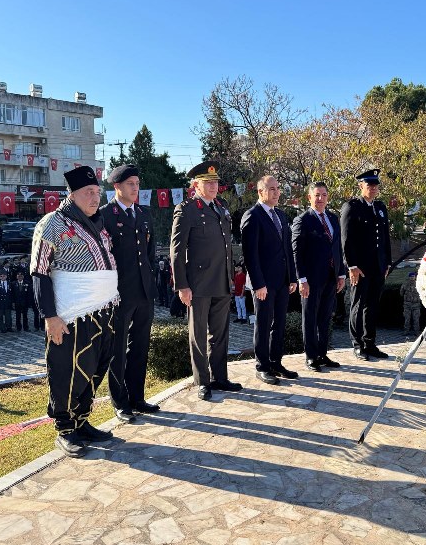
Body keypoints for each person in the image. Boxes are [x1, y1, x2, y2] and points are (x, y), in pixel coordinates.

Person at [31, 165, 120, 457]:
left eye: (97, 192)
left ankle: (82, 422)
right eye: (88, 193)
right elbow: (39, 272)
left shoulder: (98, 222)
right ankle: (65, 429)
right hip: (71, 316)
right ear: (72, 194)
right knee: (68, 371)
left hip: (103, 311)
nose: (95, 198)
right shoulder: (51, 223)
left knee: (93, 369)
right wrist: (50, 317)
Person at [170, 161, 242, 401]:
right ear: (196, 185)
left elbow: (226, 247)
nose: (213, 186)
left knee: (220, 334)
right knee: (198, 334)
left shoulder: (221, 208)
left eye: (216, 182)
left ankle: (220, 377)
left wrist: (230, 278)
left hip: (221, 281)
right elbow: (177, 251)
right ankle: (202, 381)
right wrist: (182, 285)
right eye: (208, 182)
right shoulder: (186, 209)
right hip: (198, 284)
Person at [102, 164, 158, 421]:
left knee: (140, 346)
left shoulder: (144, 214)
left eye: (137, 183)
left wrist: (151, 280)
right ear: (117, 187)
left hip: (144, 291)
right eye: (130, 184)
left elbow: (149, 254)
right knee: (118, 347)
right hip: (119, 292)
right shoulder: (105, 216)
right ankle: (120, 401)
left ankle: (137, 397)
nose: (135, 188)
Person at [241, 175, 299, 385]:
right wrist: (258, 284)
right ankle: (262, 366)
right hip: (263, 284)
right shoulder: (252, 216)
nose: (276, 192)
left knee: (279, 324)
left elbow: (287, 249)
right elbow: (250, 254)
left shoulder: (281, 216)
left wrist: (292, 278)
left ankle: (276, 362)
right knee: (263, 325)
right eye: (271, 189)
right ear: (260, 192)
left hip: (282, 282)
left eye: (277, 188)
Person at [292, 181, 346, 371]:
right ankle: (311, 356)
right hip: (311, 280)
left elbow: (338, 248)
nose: (320, 198)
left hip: (331, 277)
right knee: (310, 317)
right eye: (317, 195)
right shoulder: (302, 220)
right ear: (309, 197)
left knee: (325, 317)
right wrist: (302, 279)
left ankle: (323, 354)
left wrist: (341, 273)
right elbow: (296, 252)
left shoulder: (332, 218)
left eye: (324, 195)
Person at [340, 168, 392, 361]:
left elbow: (385, 237)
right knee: (358, 304)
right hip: (360, 268)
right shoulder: (352, 207)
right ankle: (357, 344)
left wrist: (387, 262)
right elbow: (346, 240)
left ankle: (370, 342)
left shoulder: (380, 207)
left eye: (375, 185)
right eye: (369, 185)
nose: (373, 188)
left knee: (372, 306)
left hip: (378, 266)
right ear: (361, 185)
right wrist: (351, 266)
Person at [400, 272, 421, 337]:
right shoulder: (405, 284)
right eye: (411, 276)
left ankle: (416, 332)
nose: (412, 278)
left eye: (413, 276)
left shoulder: (419, 284)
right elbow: (401, 293)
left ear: (415, 277)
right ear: (409, 277)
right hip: (407, 305)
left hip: (416, 305)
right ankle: (406, 331)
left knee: (416, 319)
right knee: (407, 319)